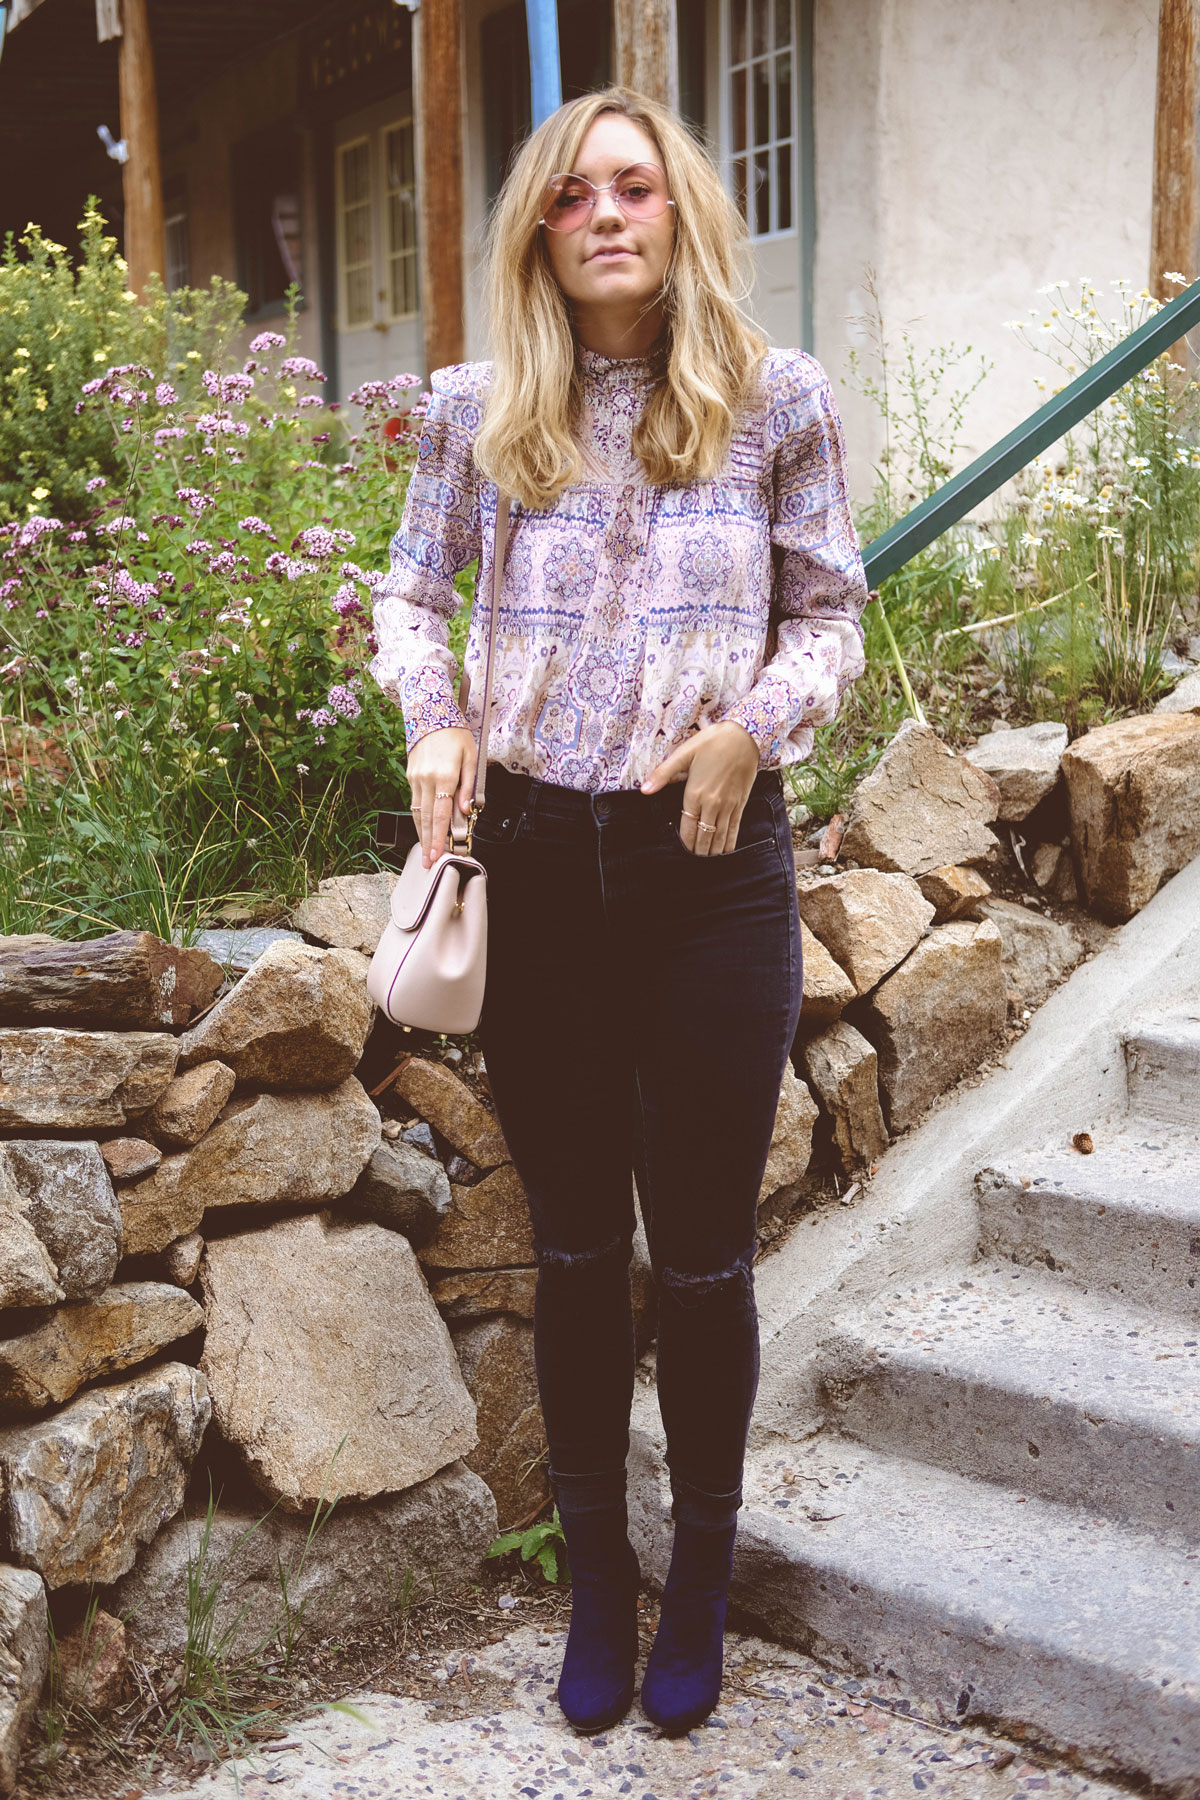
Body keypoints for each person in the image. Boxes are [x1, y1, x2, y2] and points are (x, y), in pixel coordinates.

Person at [369, 85, 868, 1738]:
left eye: (635, 188)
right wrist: (436, 716)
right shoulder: (472, 407)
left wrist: (752, 728)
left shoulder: (773, 399)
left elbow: (833, 623)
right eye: (573, 193)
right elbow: (410, 593)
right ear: (540, 226)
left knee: (707, 1256)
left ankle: (700, 1593)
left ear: (680, 213)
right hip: (537, 868)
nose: (604, 214)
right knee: (578, 1247)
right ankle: (599, 1593)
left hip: (712, 874)